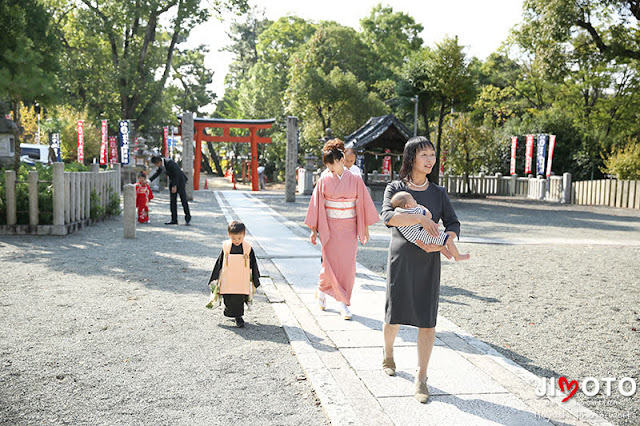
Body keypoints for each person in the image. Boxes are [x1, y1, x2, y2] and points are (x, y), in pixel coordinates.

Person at [379, 136, 462, 403]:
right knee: (394, 315)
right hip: (401, 259)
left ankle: (421, 377)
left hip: (429, 262)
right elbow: (387, 217)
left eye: (432, 155)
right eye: (424, 154)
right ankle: (388, 352)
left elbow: (453, 223)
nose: (430, 160)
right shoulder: (395, 187)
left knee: (427, 320)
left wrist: (448, 238)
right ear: (411, 157)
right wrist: (420, 217)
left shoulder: (438, 192)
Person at [305, 139, 379, 320]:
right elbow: (316, 205)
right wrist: (314, 229)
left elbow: (363, 205)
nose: (329, 169)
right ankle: (322, 291)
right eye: (327, 166)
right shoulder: (324, 180)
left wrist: (366, 228)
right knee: (328, 263)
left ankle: (343, 303)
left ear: (340, 160)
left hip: (349, 228)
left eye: (332, 164)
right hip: (329, 227)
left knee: (347, 266)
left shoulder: (355, 179)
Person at [208, 221, 261, 328]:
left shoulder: (247, 248)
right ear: (229, 235)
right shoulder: (226, 247)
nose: (237, 241)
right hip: (228, 278)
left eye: (239, 238)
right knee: (228, 296)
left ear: (244, 235)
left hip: (241, 278)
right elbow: (220, 262)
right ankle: (230, 311)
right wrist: (215, 277)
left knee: (238, 298)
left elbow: (253, 263)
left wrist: (255, 277)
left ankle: (239, 317)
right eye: (234, 238)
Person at [390, 191, 469, 261]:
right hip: (423, 235)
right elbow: (429, 216)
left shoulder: (398, 212)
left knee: (440, 240)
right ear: (407, 206)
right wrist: (422, 207)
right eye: (413, 200)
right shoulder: (415, 210)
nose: (415, 201)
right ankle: (457, 256)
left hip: (413, 238)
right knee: (448, 239)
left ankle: (448, 254)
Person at [149, 155, 191, 225]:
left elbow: (177, 174)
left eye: (156, 164)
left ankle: (188, 218)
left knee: (183, 200)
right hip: (172, 182)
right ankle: (174, 219)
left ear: (159, 162)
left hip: (180, 181)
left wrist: (175, 185)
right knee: (173, 201)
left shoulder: (170, 163)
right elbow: (157, 173)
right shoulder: (162, 166)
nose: (157, 166)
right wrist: (148, 181)